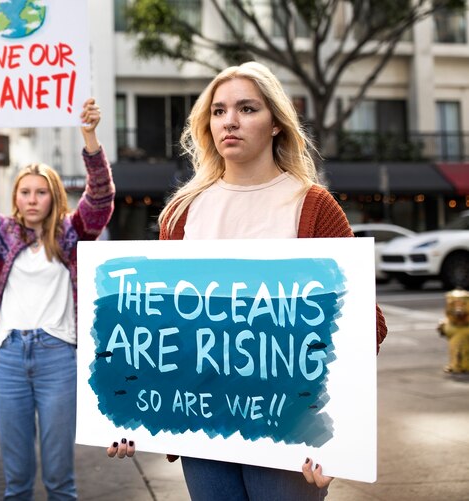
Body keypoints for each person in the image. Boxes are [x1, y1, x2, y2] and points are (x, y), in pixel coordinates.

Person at [107, 61, 387, 500]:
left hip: (288, 430)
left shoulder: (312, 206)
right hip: (203, 428)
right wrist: (126, 416)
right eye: (218, 111)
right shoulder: (181, 214)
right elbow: (155, 330)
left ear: (276, 123)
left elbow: (367, 326)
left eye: (247, 108)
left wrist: (339, 439)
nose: (230, 121)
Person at [0, 98, 115, 500]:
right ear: (15, 197)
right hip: (9, 359)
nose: (32, 199)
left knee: (60, 480)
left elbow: (101, 199)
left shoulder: (71, 235)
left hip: (58, 359)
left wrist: (89, 138)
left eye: (41, 192)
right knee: (16, 482)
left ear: (53, 197)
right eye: (25, 192)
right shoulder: (0, 233)